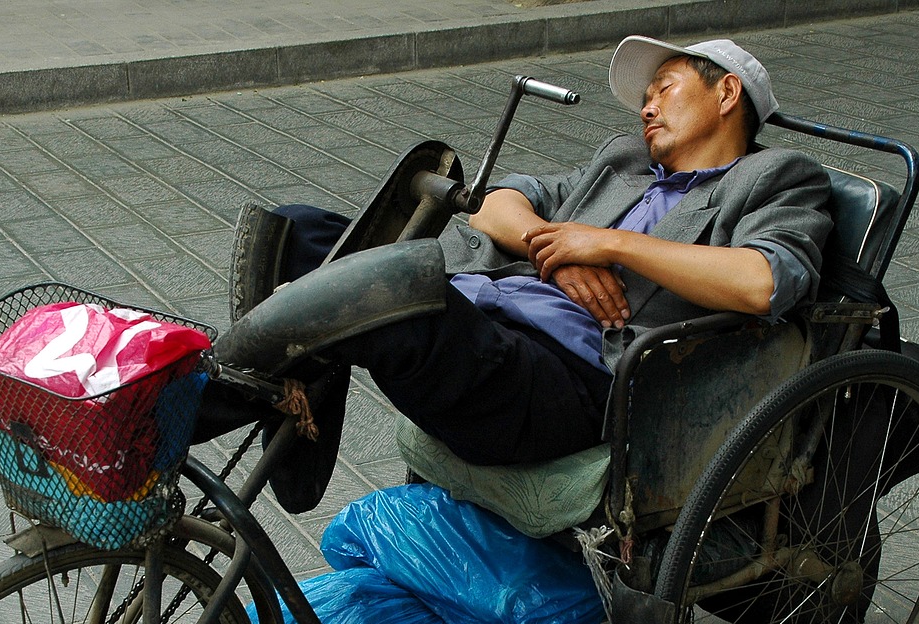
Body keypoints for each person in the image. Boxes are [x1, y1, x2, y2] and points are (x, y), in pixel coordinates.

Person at [213, 35, 834, 479]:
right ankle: (289, 398)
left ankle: (202, 400)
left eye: (664, 90)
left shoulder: (778, 177)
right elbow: (495, 205)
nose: (646, 107)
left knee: (387, 292)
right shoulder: (623, 161)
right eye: (644, 96)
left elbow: (764, 282)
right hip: (478, 304)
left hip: (558, 378)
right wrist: (558, 253)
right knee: (298, 231)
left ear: (726, 93)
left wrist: (611, 243)